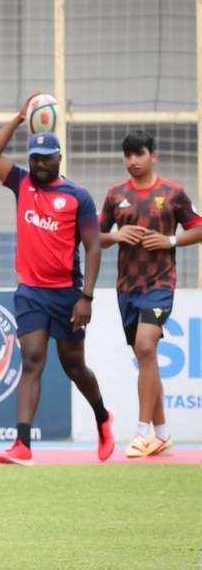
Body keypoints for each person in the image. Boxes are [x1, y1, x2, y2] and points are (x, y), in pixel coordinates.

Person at [0, 99, 114, 465]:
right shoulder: (21, 182)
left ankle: (103, 417)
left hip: (67, 293)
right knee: (32, 361)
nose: (40, 165)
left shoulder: (78, 196)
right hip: (30, 292)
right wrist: (18, 118)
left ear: (59, 158)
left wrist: (86, 297)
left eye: (46, 159)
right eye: (35, 158)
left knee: (73, 366)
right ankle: (22, 444)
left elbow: (93, 245)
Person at [99, 129, 202, 457]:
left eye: (138, 154)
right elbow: (93, 236)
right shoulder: (115, 194)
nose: (132, 161)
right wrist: (116, 236)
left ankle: (142, 432)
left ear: (153, 155)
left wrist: (170, 240)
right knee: (147, 358)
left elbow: (199, 227)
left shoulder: (173, 193)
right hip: (126, 288)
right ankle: (163, 432)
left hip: (159, 284)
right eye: (127, 155)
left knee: (145, 345)